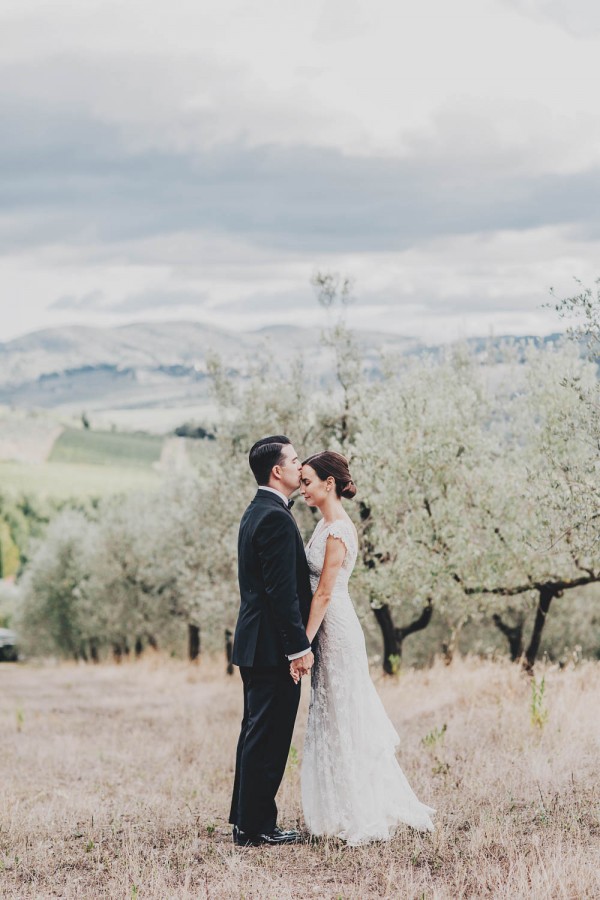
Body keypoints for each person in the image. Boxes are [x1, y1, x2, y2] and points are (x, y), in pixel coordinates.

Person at [296, 450, 435, 845]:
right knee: (332, 715)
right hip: (327, 627)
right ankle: (340, 804)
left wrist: (302, 643)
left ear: (329, 483)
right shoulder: (324, 525)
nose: (302, 489)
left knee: (346, 716)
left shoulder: (338, 529)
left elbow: (323, 593)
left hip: (335, 629)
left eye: (307, 481)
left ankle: (360, 809)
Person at [229, 435, 314, 847]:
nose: (302, 467)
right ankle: (256, 827)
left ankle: (247, 820)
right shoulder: (275, 517)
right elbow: (283, 593)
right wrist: (299, 648)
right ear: (277, 471)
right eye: (296, 460)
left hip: (255, 643)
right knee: (269, 735)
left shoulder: (256, 511)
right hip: (271, 647)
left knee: (256, 732)